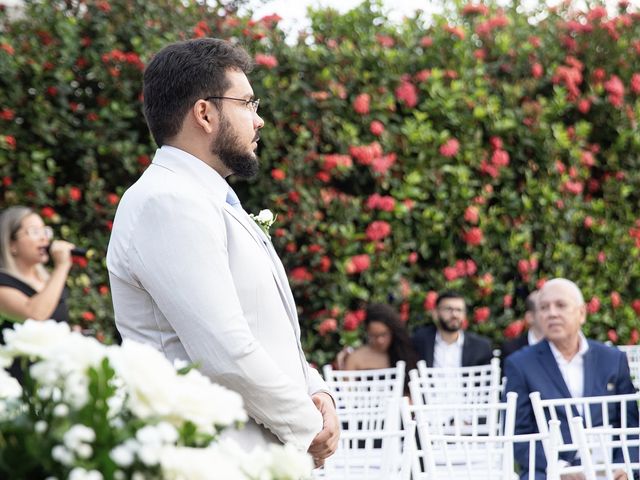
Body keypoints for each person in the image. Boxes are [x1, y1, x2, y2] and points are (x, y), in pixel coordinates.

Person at [106, 38, 338, 465]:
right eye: (248, 103)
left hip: (251, 454)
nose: (260, 119)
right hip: (209, 456)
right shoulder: (166, 201)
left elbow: (265, 327)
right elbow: (224, 350)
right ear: (205, 113)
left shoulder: (205, 197)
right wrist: (307, 426)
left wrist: (314, 387)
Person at [504, 278, 638, 480]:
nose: (552, 313)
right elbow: (517, 435)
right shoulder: (520, 364)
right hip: (551, 472)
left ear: (582, 313)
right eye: (544, 307)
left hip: (611, 470)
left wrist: (624, 467)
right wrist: (560, 468)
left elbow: (631, 426)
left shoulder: (612, 359)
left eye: (560, 305)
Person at [0, 206, 74, 324]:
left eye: (45, 231)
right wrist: (62, 266)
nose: (44, 238)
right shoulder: (3, 282)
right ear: (11, 244)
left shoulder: (47, 279)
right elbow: (35, 315)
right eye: (35, 232)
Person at [343, 304, 418, 390]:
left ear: (392, 331)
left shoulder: (402, 354)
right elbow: (347, 391)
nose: (380, 340)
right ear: (367, 332)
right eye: (374, 335)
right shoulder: (355, 358)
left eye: (384, 334)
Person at [411, 291, 493, 368]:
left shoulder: (480, 347)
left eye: (459, 310)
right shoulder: (419, 343)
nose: (454, 314)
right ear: (435, 313)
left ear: (464, 315)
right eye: (448, 309)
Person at [500, 290, 543, 362]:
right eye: (544, 308)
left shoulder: (561, 346)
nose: (552, 313)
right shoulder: (512, 350)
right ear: (530, 317)